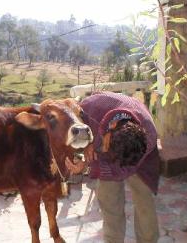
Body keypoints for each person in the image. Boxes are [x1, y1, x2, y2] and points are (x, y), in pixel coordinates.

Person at [65, 91, 160, 243]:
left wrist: (89, 167)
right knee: (110, 204)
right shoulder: (89, 110)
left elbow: (121, 171)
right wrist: (88, 147)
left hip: (141, 160)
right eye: (107, 145)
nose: (105, 149)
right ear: (113, 125)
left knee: (144, 203)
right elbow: (72, 129)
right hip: (109, 144)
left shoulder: (149, 136)